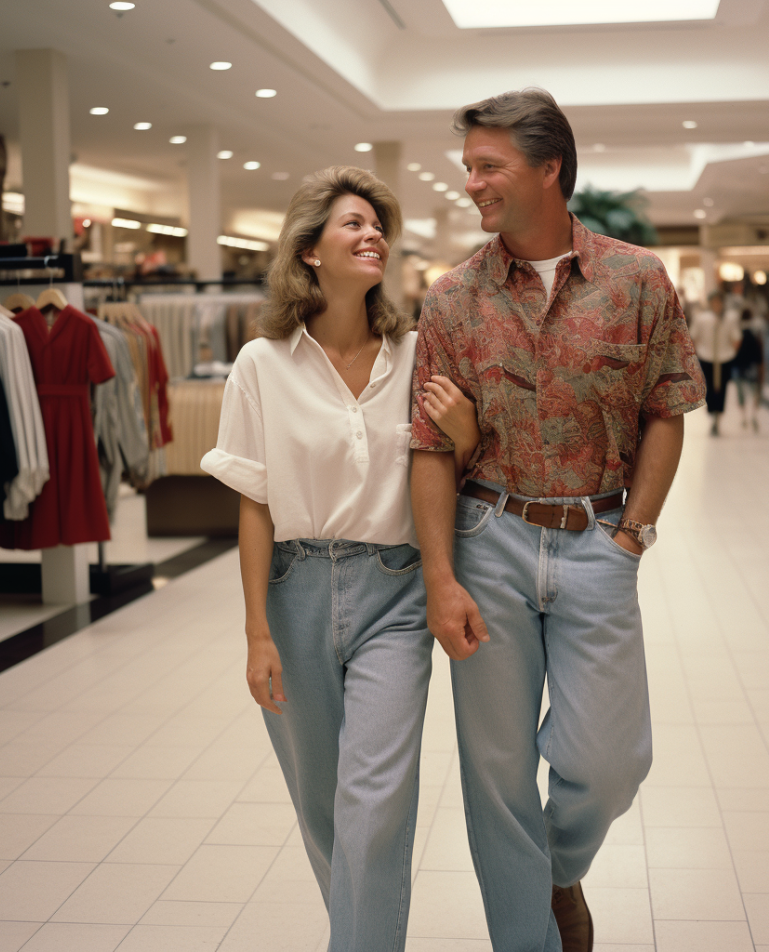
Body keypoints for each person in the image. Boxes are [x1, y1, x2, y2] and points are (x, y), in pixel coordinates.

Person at [408, 89, 706, 952]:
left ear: (550, 168)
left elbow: (668, 409)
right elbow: (429, 447)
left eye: (488, 166)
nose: (472, 184)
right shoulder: (452, 299)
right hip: (487, 537)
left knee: (613, 761)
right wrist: (440, 579)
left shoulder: (636, 279)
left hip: (597, 541)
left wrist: (632, 536)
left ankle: (554, 870)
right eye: (468, 167)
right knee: (496, 774)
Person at [200, 166, 478, 951]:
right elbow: (253, 503)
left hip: (394, 592)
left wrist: (463, 431)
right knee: (323, 808)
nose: (373, 237)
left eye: (379, 226)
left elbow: (460, 463)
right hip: (295, 593)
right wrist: (256, 632)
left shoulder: (419, 353)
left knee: (375, 802)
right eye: (354, 224)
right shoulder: (262, 364)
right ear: (310, 249)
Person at [688, 290, 742, 435]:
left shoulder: (730, 318)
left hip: (724, 358)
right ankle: (712, 412)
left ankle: (718, 415)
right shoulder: (702, 318)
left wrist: (731, 351)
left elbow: (736, 337)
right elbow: (693, 336)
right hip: (707, 357)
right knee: (709, 387)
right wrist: (697, 353)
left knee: (722, 387)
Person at [730, 307, 765, 431]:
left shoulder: (737, 332)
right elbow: (759, 352)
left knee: (740, 394)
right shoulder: (755, 333)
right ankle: (753, 415)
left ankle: (743, 417)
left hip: (738, 366)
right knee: (754, 391)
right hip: (751, 366)